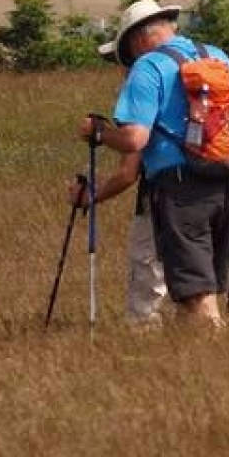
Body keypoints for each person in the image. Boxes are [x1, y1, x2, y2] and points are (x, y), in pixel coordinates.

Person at [75, 0, 229, 329]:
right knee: (201, 285)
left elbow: (134, 140)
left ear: (136, 40)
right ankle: (195, 363)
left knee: (196, 292)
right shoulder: (215, 55)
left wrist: (98, 131)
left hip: (182, 188)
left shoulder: (149, 66)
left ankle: (221, 364)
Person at [70, 35, 166, 326]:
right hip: (210, 190)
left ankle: (143, 336)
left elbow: (128, 171)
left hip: (162, 196)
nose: (119, 69)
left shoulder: (142, 89)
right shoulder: (177, 76)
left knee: (149, 272)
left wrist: (90, 196)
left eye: (118, 61)